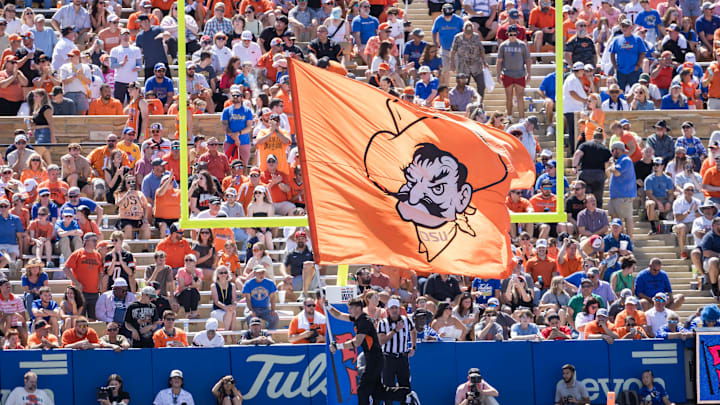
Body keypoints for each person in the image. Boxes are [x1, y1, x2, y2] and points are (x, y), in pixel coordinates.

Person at [328, 297, 416, 405]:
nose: (349, 311)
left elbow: (357, 342)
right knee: (378, 392)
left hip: (375, 359)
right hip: (374, 359)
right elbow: (338, 315)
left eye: (351, 308)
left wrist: (338, 346)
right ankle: (406, 395)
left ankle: (406, 394)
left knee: (362, 390)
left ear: (358, 308)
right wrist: (327, 306)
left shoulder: (364, 321)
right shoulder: (357, 318)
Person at [378, 298, 416, 393]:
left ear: (399, 309)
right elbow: (381, 341)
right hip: (388, 358)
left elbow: (413, 331)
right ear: (388, 310)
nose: (394, 310)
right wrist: (395, 330)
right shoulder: (383, 323)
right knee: (388, 386)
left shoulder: (406, 320)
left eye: (396, 308)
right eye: (392, 308)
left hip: (402, 358)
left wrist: (414, 346)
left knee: (405, 386)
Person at [63, 232, 103, 320]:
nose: (96, 243)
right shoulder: (78, 253)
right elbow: (65, 268)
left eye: (96, 240)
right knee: (80, 318)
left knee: (92, 318)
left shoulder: (97, 255)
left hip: (94, 292)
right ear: (86, 241)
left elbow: (100, 272)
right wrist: (76, 283)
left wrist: (100, 284)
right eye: (94, 240)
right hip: (80, 292)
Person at [496, 24, 531, 120]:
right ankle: (509, 116)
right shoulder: (503, 45)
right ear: (507, 34)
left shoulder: (522, 45)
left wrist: (529, 74)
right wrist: (498, 74)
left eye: (514, 34)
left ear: (517, 34)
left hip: (520, 74)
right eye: (510, 34)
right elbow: (499, 61)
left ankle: (522, 118)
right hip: (507, 74)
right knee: (509, 96)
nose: (512, 36)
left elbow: (528, 60)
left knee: (520, 96)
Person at [608, 142, 637, 238]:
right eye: (612, 150)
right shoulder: (619, 161)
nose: (613, 152)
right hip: (616, 196)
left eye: (615, 150)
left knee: (627, 218)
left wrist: (612, 164)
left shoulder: (625, 160)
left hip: (624, 196)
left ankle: (629, 240)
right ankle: (621, 238)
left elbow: (616, 172)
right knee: (616, 219)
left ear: (620, 149)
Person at [242, 265, 279, 329]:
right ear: (254, 273)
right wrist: (251, 310)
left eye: (262, 272)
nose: (261, 275)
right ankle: (252, 334)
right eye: (259, 273)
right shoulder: (248, 283)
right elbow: (248, 299)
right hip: (252, 307)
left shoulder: (270, 283)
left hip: (265, 308)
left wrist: (273, 310)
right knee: (249, 317)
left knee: (275, 317)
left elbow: (273, 297)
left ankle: (268, 335)